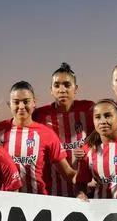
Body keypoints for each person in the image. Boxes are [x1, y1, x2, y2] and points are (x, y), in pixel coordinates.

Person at [0, 81, 74, 195]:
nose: (21, 107)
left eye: (26, 102)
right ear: (9, 104)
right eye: (16, 102)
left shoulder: (47, 134)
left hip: (37, 203)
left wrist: (91, 180)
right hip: (6, 204)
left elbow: (67, 173)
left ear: (34, 103)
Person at [33, 63, 94, 197]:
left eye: (67, 85)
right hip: (53, 191)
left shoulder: (88, 109)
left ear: (75, 88)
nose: (62, 90)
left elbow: (101, 135)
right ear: (51, 89)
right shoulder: (40, 115)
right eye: (57, 85)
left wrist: (87, 148)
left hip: (88, 188)